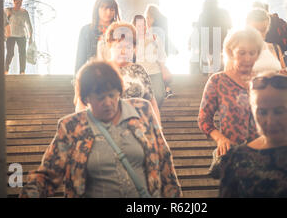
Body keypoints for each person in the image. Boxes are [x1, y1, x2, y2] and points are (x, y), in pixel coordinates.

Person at [20, 61, 182, 198]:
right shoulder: (72, 127)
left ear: (119, 91)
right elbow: (47, 175)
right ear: (86, 99)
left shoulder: (142, 111)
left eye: (112, 95)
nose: (108, 102)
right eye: (100, 97)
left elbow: (164, 161)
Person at [75, 22, 161, 123]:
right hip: (105, 127)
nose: (124, 51)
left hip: (139, 128)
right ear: (109, 45)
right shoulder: (98, 70)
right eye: (119, 47)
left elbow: (152, 102)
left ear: (134, 49)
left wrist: (158, 129)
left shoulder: (139, 70)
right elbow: (81, 103)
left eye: (128, 47)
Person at [198, 28, 264, 158]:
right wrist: (220, 139)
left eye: (252, 53)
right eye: (242, 52)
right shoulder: (217, 81)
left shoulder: (266, 81)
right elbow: (204, 119)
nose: (248, 58)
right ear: (230, 52)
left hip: (265, 156)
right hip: (233, 156)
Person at [75, 0, 120, 74]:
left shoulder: (120, 31)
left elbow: (128, 59)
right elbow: (80, 60)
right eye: (104, 8)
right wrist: (77, 81)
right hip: (93, 76)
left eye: (112, 9)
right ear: (97, 9)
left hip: (115, 75)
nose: (108, 12)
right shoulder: (86, 31)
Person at [132, 15, 169, 106]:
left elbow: (161, 55)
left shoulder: (154, 38)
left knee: (159, 96)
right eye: (139, 25)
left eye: (144, 24)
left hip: (155, 72)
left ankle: (154, 115)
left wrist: (163, 70)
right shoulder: (132, 40)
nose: (143, 27)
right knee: (141, 99)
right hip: (138, 74)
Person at [145, 5, 175, 98]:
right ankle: (167, 88)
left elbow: (148, 30)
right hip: (163, 45)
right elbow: (166, 34)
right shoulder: (163, 19)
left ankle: (165, 88)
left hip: (154, 45)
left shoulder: (150, 19)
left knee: (159, 68)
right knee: (162, 67)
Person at [246, 9, 287, 76]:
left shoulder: (275, 48)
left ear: (268, 28)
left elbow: (285, 77)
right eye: (255, 30)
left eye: (263, 30)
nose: (259, 34)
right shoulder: (238, 51)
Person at [197, 0, 232, 74]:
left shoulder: (203, 14)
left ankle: (206, 79)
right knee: (220, 64)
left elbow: (199, 29)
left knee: (206, 66)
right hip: (221, 41)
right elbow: (230, 25)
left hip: (206, 42)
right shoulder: (224, 12)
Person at [4, 0, 33, 75]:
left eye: (20, 3)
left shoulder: (24, 12)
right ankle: (5, 70)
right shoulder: (8, 10)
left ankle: (22, 71)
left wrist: (31, 37)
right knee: (10, 53)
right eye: (17, 3)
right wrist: (4, 33)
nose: (18, 5)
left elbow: (29, 25)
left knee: (22, 53)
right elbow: (3, 21)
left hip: (21, 35)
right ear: (14, 2)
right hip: (11, 35)